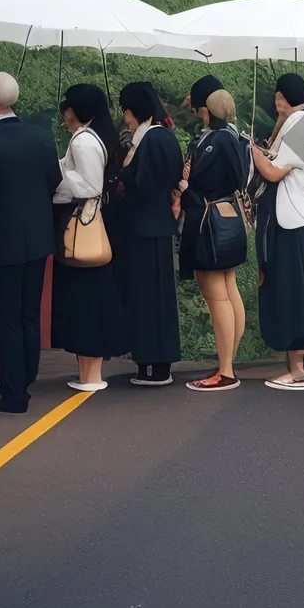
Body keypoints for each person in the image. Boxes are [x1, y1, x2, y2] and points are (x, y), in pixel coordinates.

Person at [0, 74, 60, 413]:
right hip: (36, 238)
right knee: (28, 315)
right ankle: (26, 379)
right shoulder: (41, 136)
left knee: (4, 319)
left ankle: (14, 393)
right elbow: (54, 180)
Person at [250, 74, 304, 390]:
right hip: (290, 217)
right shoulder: (296, 122)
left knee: (293, 292)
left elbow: (272, 172)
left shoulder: (300, 123)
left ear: (281, 96)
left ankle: (296, 370)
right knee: (298, 290)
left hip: (290, 218)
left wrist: (252, 150)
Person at [50, 84, 130, 392]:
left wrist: (59, 171)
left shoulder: (83, 141)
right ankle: (88, 373)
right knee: (93, 298)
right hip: (98, 223)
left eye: (68, 107)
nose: (65, 113)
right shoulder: (98, 137)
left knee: (87, 301)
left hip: (83, 224)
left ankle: (91, 376)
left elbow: (88, 186)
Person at [179, 88, 249, 392]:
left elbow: (197, 181)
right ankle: (228, 361)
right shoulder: (236, 137)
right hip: (229, 212)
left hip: (208, 219)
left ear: (207, 109)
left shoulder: (215, 140)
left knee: (217, 295)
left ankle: (225, 371)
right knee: (230, 289)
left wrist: (184, 183)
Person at [116, 82, 183, 386]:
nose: (125, 119)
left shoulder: (149, 140)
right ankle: (162, 363)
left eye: (126, 112)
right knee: (161, 298)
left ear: (134, 110)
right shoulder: (166, 137)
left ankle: (148, 364)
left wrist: (126, 167)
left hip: (143, 225)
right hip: (159, 224)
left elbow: (141, 184)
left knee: (144, 299)